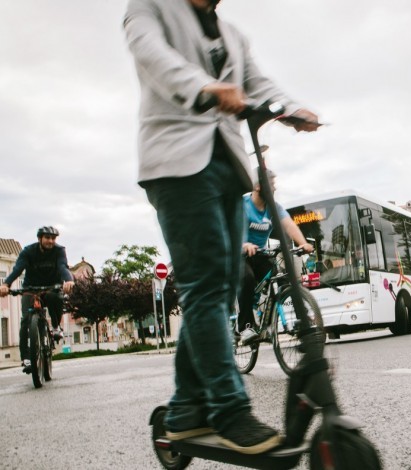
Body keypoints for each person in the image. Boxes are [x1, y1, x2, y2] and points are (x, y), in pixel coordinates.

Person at [123, 0, 320, 455]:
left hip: (226, 167)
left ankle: (187, 411)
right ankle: (228, 411)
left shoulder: (231, 33)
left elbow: (254, 80)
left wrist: (291, 109)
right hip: (174, 164)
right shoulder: (147, 9)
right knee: (206, 286)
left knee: (222, 283)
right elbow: (156, 58)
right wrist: (208, 88)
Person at [238, 169, 313, 345]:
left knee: (283, 278)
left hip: (261, 254)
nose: (274, 189)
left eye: (274, 185)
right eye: (270, 185)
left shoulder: (274, 207)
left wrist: (302, 243)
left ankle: (300, 319)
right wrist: (244, 245)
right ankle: (245, 327)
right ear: (257, 186)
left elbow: (288, 224)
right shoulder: (243, 205)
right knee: (246, 279)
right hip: (240, 253)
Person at [0, 227, 75, 373]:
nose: (50, 241)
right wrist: (5, 284)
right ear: (40, 238)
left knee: (56, 297)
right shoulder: (28, 251)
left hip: (51, 287)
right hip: (30, 288)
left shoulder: (59, 251)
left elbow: (63, 267)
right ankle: (26, 358)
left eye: (53, 238)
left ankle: (55, 326)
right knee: (25, 321)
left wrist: (69, 280)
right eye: (47, 237)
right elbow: (17, 269)